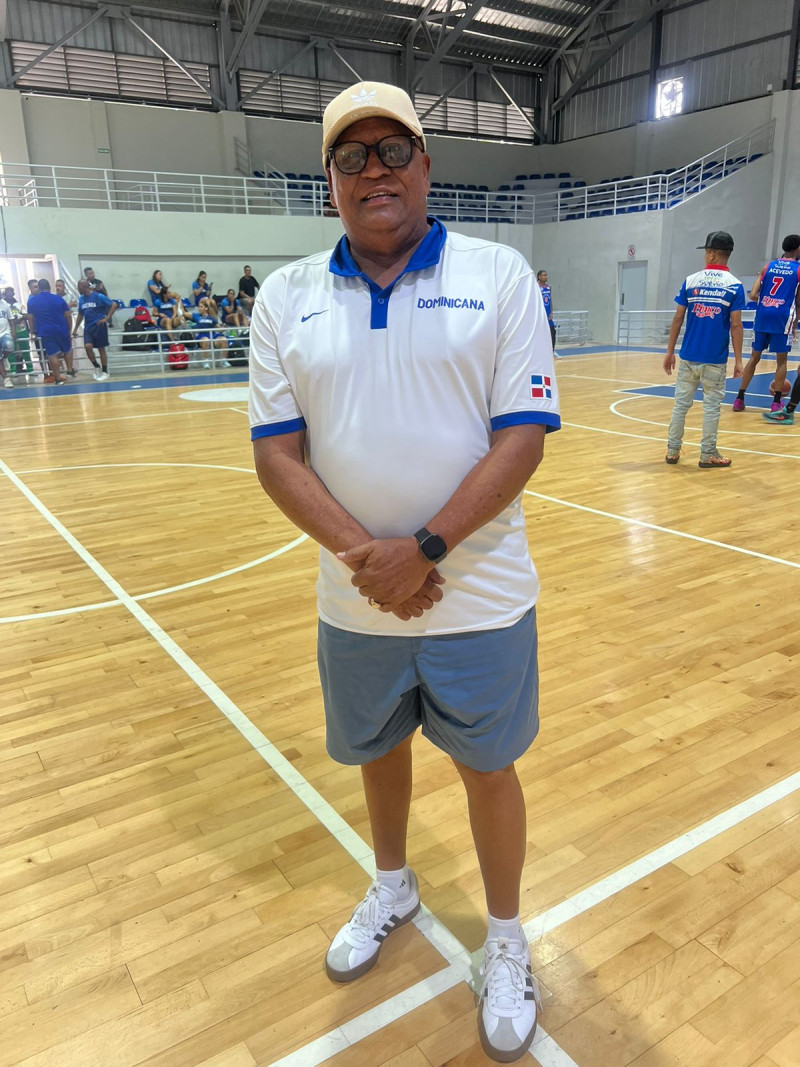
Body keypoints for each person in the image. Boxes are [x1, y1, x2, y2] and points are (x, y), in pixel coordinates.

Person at [249, 80, 559, 1064]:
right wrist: (369, 561)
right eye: (352, 156)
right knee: (377, 751)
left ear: (425, 164)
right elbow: (277, 456)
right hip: (355, 602)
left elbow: (521, 437)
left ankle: (503, 937)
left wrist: (421, 550)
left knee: (487, 767)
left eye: (392, 150)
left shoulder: (498, 274)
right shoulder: (285, 295)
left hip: (481, 595)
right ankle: (393, 884)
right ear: (330, 180)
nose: (374, 169)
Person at [664, 231, 744, 468]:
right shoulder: (735, 285)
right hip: (715, 359)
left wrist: (669, 351)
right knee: (711, 408)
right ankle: (707, 453)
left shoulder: (691, 281)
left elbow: (678, 319)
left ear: (711, 254)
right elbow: (736, 325)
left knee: (680, 405)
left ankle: (672, 450)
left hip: (689, 356)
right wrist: (739, 360)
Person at [732, 234, 800, 412]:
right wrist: (794, 323)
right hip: (782, 317)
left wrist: (768, 301)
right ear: (798, 249)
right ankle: (776, 402)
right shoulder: (798, 270)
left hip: (763, 315)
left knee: (754, 358)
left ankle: (739, 399)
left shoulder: (767, 267)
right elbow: (799, 301)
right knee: (781, 360)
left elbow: (753, 295)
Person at [26, 279, 74, 385]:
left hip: (45, 331)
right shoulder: (59, 298)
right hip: (62, 329)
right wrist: (69, 329)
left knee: (52, 355)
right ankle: (70, 371)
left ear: (39, 288)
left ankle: (57, 379)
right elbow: (68, 315)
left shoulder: (32, 301)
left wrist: (32, 332)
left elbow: (30, 318)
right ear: (50, 287)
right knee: (67, 350)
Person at [73, 278, 118, 380]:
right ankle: (96, 366)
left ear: (84, 286)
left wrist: (107, 318)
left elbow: (114, 304)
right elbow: (80, 314)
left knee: (101, 349)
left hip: (99, 326)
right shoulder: (81, 299)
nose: (78, 289)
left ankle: (105, 372)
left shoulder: (98, 296)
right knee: (87, 347)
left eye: (79, 287)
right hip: (88, 327)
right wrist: (75, 328)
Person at [536, 269, 559, 358]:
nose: (546, 277)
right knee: (540, 334)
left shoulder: (549, 287)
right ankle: (538, 352)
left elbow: (550, 300)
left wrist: (551, 312)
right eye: (544, 275)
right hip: (540, 315)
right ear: (539, 277)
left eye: (546, 275)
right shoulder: (536, 287)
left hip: (548, 314)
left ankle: (552, 351)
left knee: (552, 332)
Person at [0, 290, 16, 388]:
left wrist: (13, 331)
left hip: (4, 332)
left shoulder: (5, 304)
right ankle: (6, 379)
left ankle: (5, 357)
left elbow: (10, 318)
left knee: (9, 346)